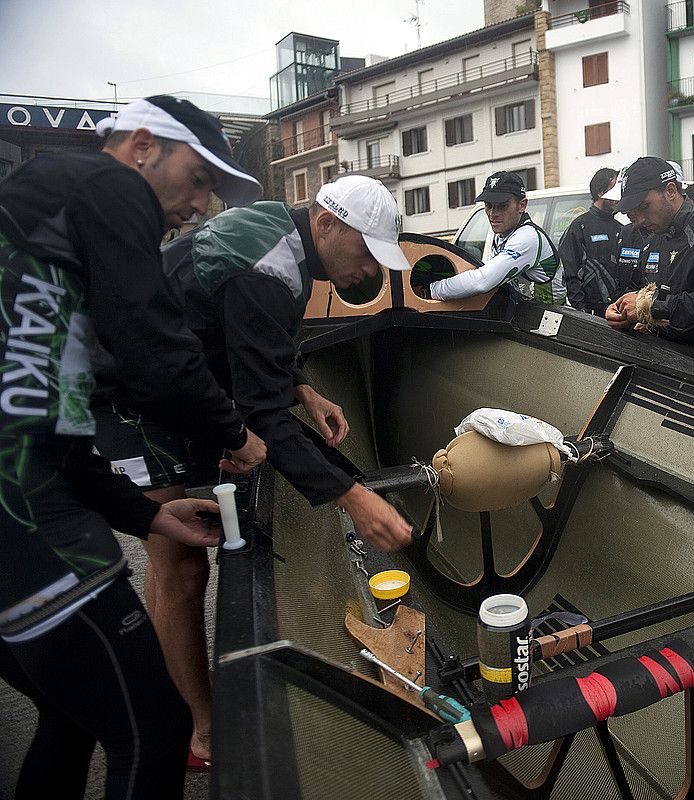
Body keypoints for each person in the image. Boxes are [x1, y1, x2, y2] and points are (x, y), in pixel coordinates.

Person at [92, 174, 415, 767]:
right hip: (128, 388)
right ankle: (200, 732)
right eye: (366, 250)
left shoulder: (279, 234)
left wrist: (304, 389)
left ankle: (181, 694)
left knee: (177, 563)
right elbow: (261, 411)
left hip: (175, 376)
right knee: (179, 561)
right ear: (326, 222)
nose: (371, 270)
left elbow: (252, 342)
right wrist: (354, 499)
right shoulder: (268, 264)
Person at [0, 95, 268, 799]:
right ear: (143, 145)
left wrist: (148, 516)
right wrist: (239, 435)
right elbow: (155, 349)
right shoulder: (107, 185)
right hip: (25, 520)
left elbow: (39, 425)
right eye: (198, 178)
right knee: (156, 729)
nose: (199, 204)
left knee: (70, 716)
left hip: (27, 488)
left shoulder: (48, 220)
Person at [605, 156, 694, 360]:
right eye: (633, 211)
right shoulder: (651, 235)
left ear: (671, 191)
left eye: (644, 207)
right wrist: (622, 310)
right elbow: (638, 290)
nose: (640, 219)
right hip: (659, 360)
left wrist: (651, 306)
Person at [426, 171, 564, 304]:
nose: (493, 213)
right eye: (488, 205)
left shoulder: (528, 238)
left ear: (522, 205)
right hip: (527, 316)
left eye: (502, 206)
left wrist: (431, 290)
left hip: (555, 321)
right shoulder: (502, 235)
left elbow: (482, 281)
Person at [560, 167, 622, 315]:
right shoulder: (579, 227)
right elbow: (571, 275)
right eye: (614, 189)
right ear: (601, 192)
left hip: (619, 310)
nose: (619, 196)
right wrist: (582, 312)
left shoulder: (622, 228)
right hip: (592, 313)